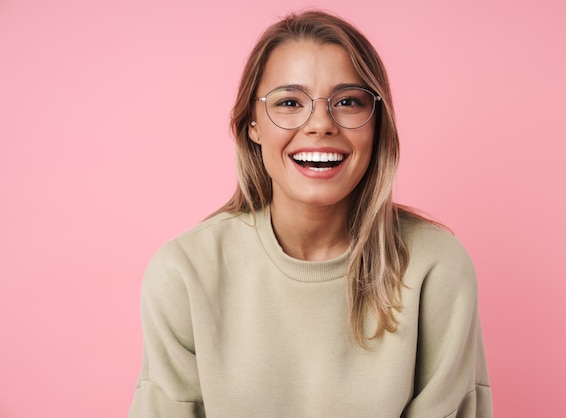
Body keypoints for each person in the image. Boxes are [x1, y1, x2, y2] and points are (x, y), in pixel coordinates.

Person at [129, 9, 492, 418]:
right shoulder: (185, 273)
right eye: (289, 101)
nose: (320, 124)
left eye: (348, 102)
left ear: (377, 124)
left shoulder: (435, 267)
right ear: (252, 123)